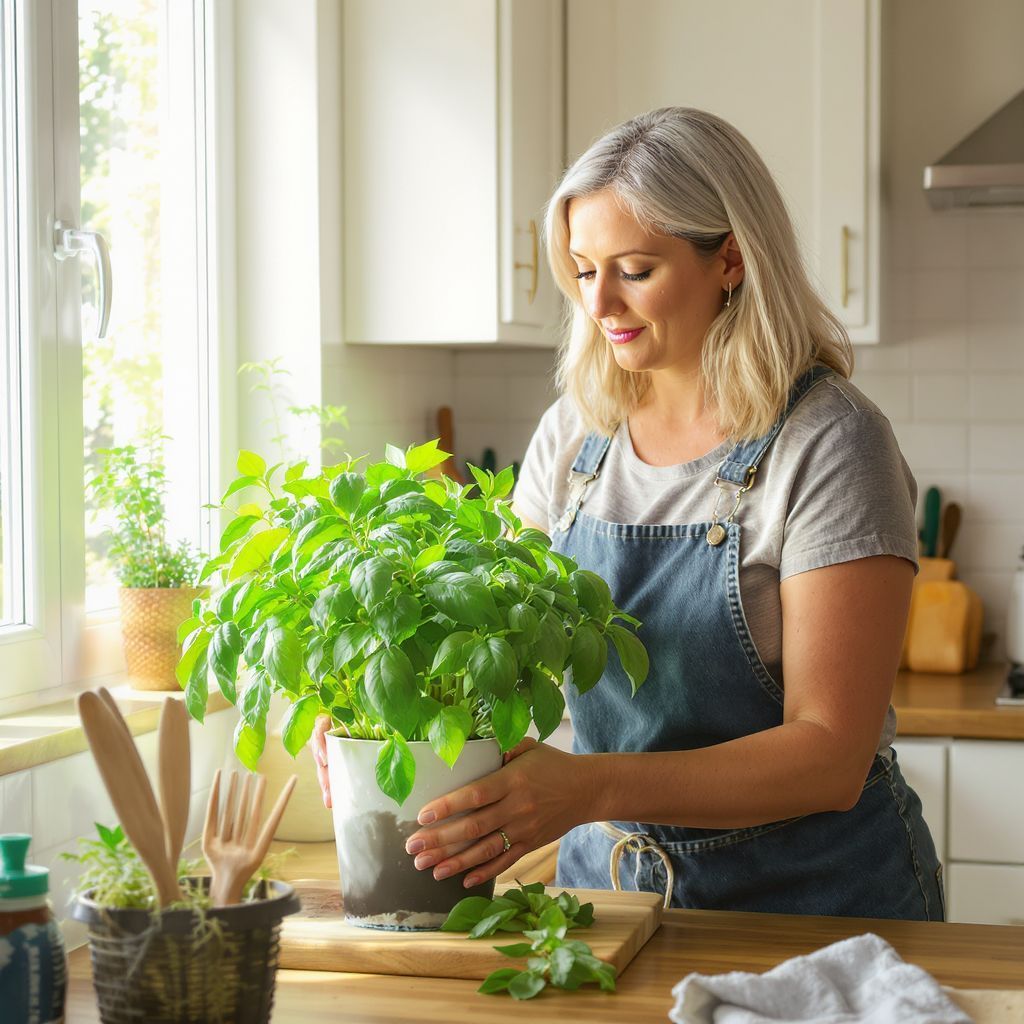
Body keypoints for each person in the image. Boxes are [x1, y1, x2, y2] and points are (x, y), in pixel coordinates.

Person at [312, 107, 943, 920]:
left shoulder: (831, 443)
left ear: (731, 259)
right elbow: (501, 650)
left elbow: (829, 756)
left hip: (816, 908)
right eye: (582, 271)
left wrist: (590, 786)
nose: (600, 302)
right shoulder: (577, 434)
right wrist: (381, 713)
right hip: (608, 897)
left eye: (635, 270)